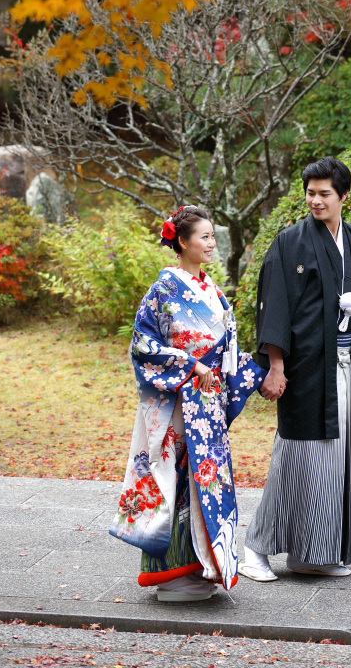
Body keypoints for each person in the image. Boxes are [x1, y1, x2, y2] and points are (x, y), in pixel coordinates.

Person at [240, 156, 351, 582]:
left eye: (324, 193)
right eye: (310, 192)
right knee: (296, 455)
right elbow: (275, 306)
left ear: (344, 196)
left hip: (343, 365)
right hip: (304, 367)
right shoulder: (290, 242)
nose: (315, 200)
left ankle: (312, 552)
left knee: (334, 460)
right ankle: (254, 548)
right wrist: (275, 365)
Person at [110, 205, 266, 601]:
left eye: (213, 236)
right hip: (177, 401)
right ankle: (169, 572)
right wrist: (190, 364)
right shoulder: (163, 289)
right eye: (204, 237)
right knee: (174, 479)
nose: (211, 243)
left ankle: (200, 566)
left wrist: (257, 370)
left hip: (207, 402)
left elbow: (226, 348)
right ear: (182, 241)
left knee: (205, 482)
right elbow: (143, 345)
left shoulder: (211, 289)